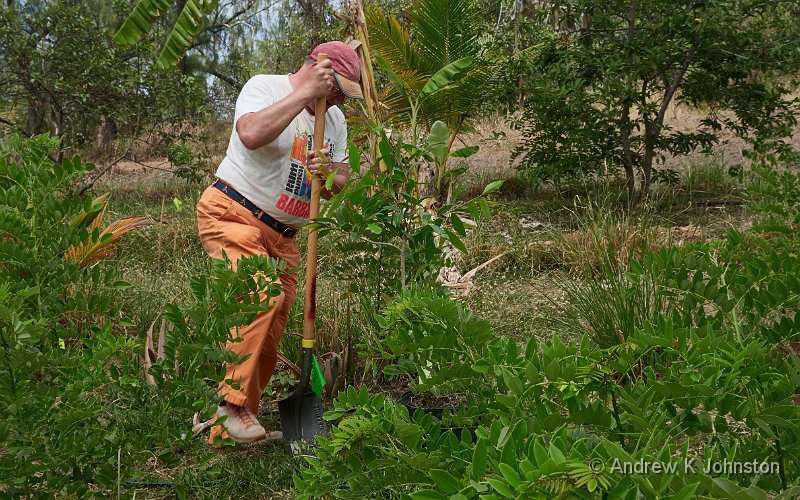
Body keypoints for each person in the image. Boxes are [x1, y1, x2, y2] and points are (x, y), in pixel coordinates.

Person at [196, 41, 363, 445]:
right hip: (233, 212)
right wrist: (305, 94)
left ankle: (230, 425)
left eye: (343, 93)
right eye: (337, 87)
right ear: (317, 68)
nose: (340, 98)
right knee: (260, 295)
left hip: (285, 237)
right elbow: (251, 134)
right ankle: (231, 404)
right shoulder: (266, 88)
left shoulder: (334, 120)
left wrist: (331, 172)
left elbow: (342, 182)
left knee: (270, 332)